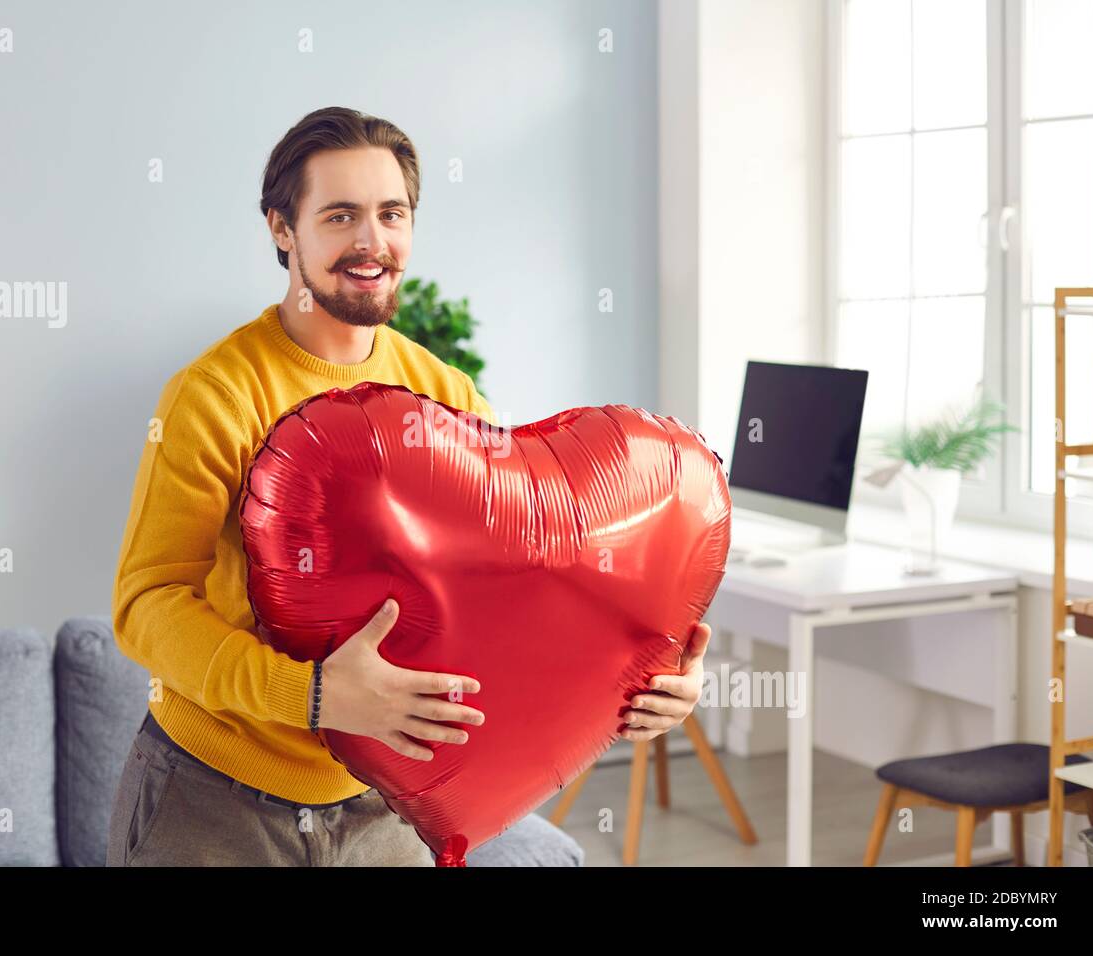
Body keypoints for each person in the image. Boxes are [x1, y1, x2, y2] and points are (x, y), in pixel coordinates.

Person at [106, 106, 710, 867]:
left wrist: (640, 670)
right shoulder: (215, 394)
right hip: (212, 804)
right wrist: (314, 697)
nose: (371, 241)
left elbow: (515, 593)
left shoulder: (446, 394)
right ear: (282, 230)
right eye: (339, 215)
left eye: (392, 214)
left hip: (382, 810)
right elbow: (146, 604)